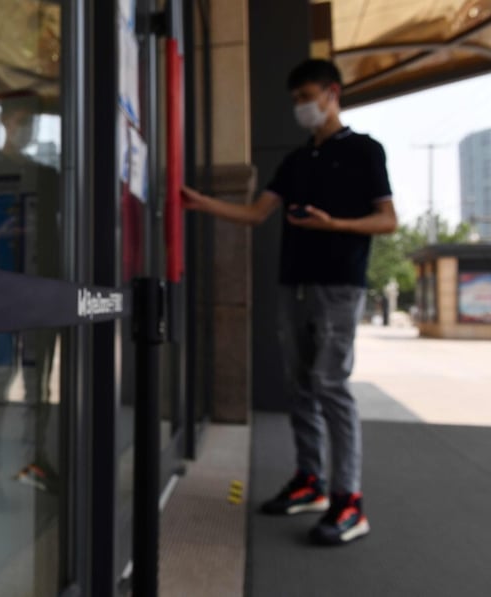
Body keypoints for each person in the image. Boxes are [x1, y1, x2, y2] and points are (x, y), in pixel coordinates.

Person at [181, 59, 397, 545]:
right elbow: (256, 213)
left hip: (339, 286)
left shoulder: (365, 150)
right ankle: (310, 480)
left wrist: (335, 226)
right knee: (299, 386)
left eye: (307, 96)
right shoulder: (297, 161)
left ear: (332, 93)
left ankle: (350, 501)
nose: (301, 106)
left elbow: (388, 220)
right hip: (291, 284)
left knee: (330, 383)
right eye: (296, 99)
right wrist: (199, 202)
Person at [0, 96, 61, 506]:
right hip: (1, 291)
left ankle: (33, 460)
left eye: (33, 123)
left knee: (37, 382)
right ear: (4, 121)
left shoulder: (48, 176)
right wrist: (2, 235)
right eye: (22, 121)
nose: (28, 130)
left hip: (41, 290)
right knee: (0, 375)